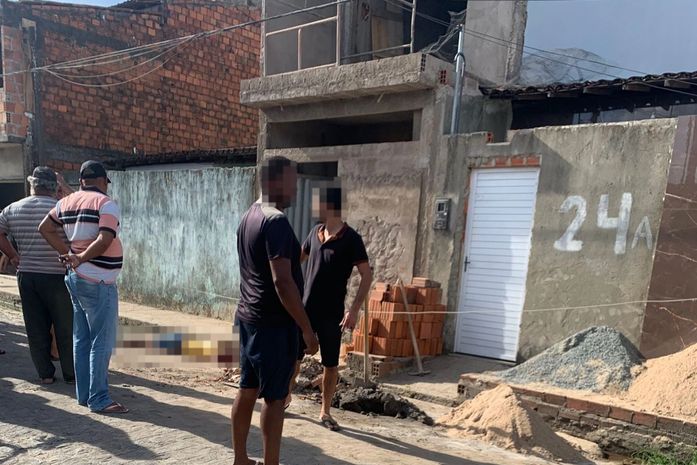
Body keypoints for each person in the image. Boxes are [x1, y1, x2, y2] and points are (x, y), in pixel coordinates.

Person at [232, 156, 319, 465]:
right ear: (273, 181)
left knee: (247, 389)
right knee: (275, 398)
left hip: (249, 318)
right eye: (291, 182)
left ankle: (241, 459)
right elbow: (282, 282)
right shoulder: (276, 220)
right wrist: (306, 329)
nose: (295, 189)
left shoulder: (249, 216)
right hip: (272, 324)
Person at [39, 160, 128, 414]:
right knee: (101, 341)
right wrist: (79, 257)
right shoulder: (106, 204)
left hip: (76, 278)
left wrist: (70, 255)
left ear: (81, 181)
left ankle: (84, 395)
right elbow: (105, 238)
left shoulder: (66, 202)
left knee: (82, 338)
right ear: (102, 181)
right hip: (99, 281)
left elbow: (45, 228)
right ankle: (99, 398)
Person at [290, 182, 372, 431]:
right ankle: (284, 396)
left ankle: (325, 411)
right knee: (294, 358)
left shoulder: (351, 239)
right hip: (306, 311)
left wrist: (354, 310)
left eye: (319, 204)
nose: (315, 208)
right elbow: (296, 262)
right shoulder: (315, 232)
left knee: (330, 365)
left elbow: (366, 275)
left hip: (332, 315)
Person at [0, 167, 75, 384]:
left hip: (28, 275)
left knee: (35, 326)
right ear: (54, 187)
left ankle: (45, 374)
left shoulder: (13, 208)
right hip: (58, 275)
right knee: (64, 326)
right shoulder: (61, 208)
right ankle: (71, 373)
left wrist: (12, 255)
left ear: (32, 184)